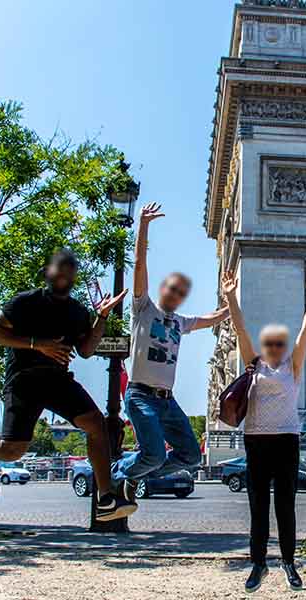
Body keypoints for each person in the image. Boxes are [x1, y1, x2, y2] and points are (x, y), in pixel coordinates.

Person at [0, 250, 136, 521]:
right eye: (60, 269)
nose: (64, 275)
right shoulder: (25, 302)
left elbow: (86, 350)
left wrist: (101, 318)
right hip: (24, 380)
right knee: (12, 451)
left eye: (70, 270)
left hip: (57, 380)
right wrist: (38, 344)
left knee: (96, 423)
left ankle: (106, 497)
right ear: (47, 272)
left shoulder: (77, 311)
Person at [111, 202, 229, 501]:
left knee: (189, 457)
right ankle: (117, 472)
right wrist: (143, 225)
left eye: (181, 292)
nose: (175, 294)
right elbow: (138, 265)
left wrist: (233, 299)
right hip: (141, 396)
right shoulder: (143, 309)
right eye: (171, 289)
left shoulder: (181, 322)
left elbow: (214, 318)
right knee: (153, 456)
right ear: (161, 290)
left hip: (167, 401)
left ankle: (131, 474)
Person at [222, 269, 306, 593]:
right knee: (258, 507)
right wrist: (230, 295)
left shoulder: (294, 366)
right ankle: (258, 563)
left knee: (285, 506)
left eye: (280, 344)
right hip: (256, 440)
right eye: (271, 344)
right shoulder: (254, 365)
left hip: (286, 440)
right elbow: (239, 328)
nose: (275, 348)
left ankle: (290, 563)